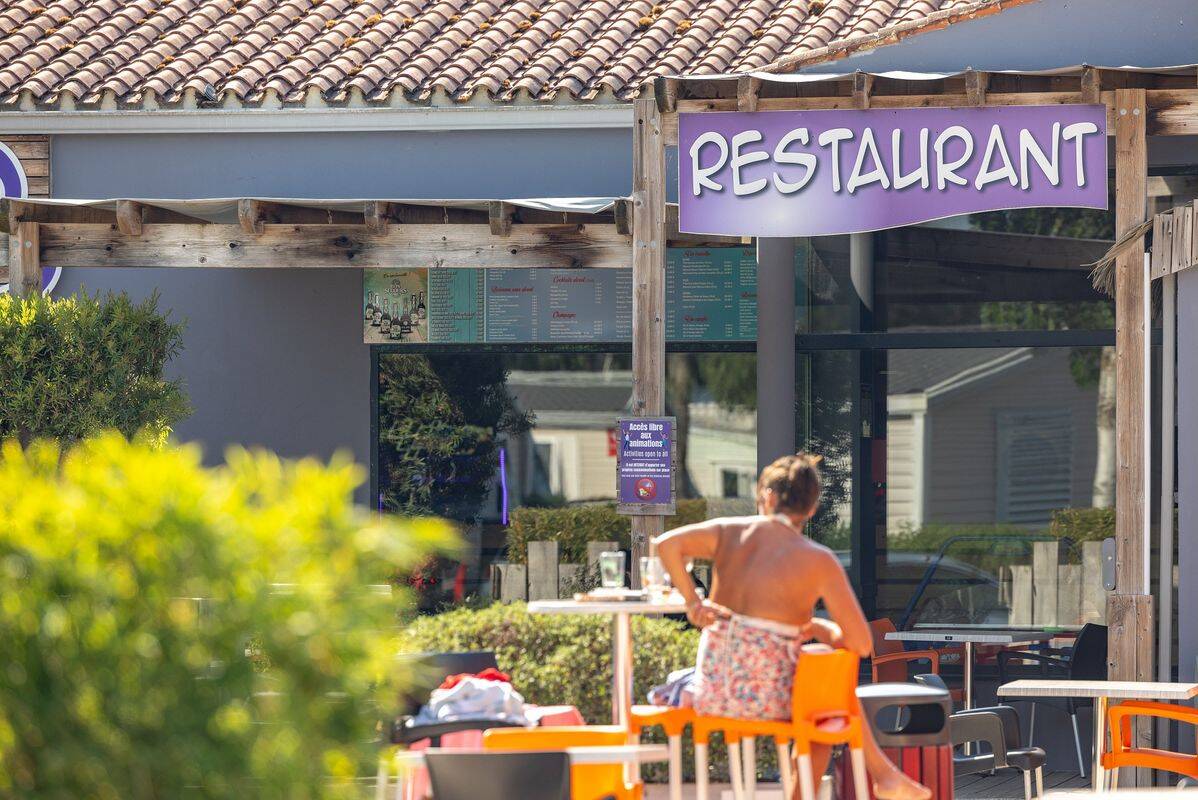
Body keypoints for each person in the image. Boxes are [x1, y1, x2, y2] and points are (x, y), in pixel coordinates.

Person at [653, 453, 931, 800]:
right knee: (825, 697)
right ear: (811, 509)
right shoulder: (819, 560)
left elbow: (666, 544)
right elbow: (860, 644)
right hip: (775, 701)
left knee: (823, 694)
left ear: (767, 497)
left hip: (714, 693)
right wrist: (817, 626)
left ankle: (884, 775)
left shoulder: (728, 532)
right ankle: (882, 773)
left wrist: (694, 602)